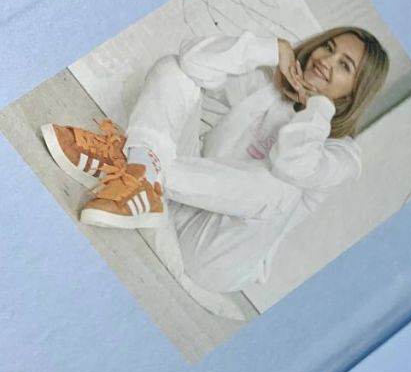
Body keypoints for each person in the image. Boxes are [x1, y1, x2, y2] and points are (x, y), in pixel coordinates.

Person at [42, 26, 389, 294]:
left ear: (353, 95)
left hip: (211, 253)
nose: (326, 61)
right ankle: (142, 176)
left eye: (344, 66)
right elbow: (192, 61)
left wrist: (320, 106)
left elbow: (293, 163)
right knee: (175, 71)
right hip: (174, 202)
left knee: (283, 187)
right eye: (328, 48)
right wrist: (274, 49)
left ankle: (140, 169)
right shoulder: (270, 89)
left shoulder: (343, 155)